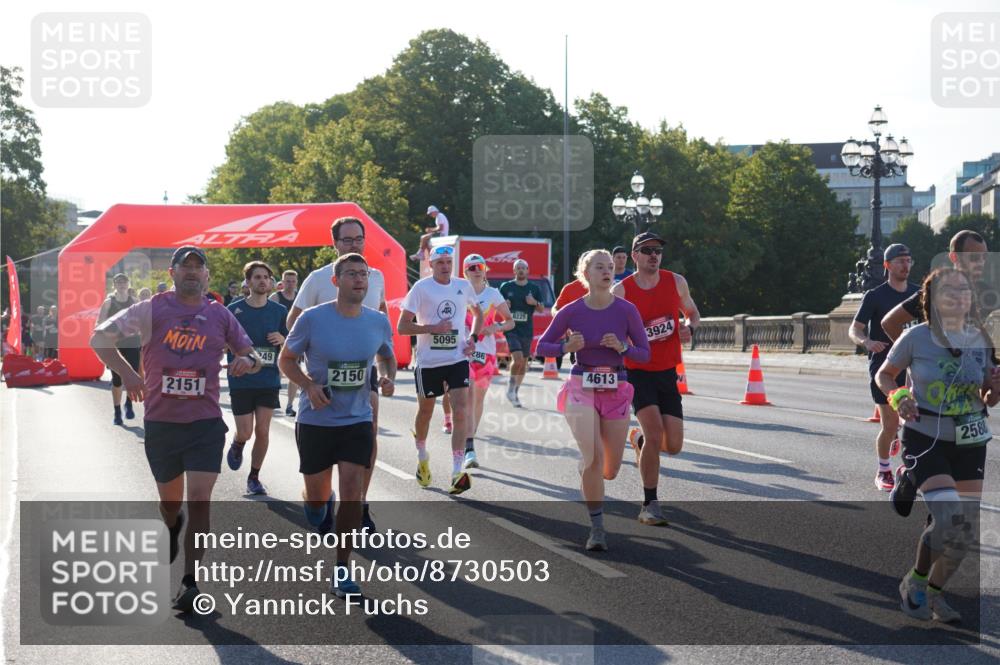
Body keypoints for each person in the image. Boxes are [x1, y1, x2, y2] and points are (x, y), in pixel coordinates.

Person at [90, 245, 262, 613]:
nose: (192, 273)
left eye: (199, 268)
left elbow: (252, 354)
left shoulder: (219, 314)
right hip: (162, 423)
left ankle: (190, 582)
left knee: (200, 499)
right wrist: (130, 374)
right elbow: (99, 338)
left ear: (207, 276)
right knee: (171, 503)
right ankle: (171, 524)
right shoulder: (152, 308)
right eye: (186, 267)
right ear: (172, 272)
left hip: (204, 423)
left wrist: (247, 361)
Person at [876, 266, 997, 623]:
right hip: (925, 435)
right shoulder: (916, 337)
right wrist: (898, 396)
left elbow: (988, 397)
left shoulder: (981, 339)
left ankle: (935, 595)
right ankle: (914, 581)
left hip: (970, 439)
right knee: (948, 518)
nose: (958, 296)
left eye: (964, 290)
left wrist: (996, 387)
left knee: (964, 531)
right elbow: (885, 374)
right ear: (933, 299)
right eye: (949, 291)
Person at [278, 252, 396, 598]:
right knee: (317, 504)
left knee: (353, 495)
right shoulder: (313, 319)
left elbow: (386, 355)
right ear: (336, 281)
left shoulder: (377, 321)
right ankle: (317, 503)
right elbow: (286, 359)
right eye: (352, 274)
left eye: (364, 274)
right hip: (316, 419)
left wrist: (387, 377)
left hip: (357, 418)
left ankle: (343, 568)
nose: (360, 280)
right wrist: (309, 386)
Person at [537, 249, 650, 551]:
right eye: (599, 267)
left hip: (617, 386)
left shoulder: (626, 310)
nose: (607, 271)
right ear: (585, 274)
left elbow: (644, 353)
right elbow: (542, 345)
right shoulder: (571, 311)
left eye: (610, 267)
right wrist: (565, 346)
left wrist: (624, 347)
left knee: (609, 470)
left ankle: (626, 438)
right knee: (592, 458)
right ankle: (597, 528)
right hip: (581, 386)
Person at [289, 216, 387, 531]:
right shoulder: (319, 279)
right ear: (335, 244)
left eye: (359, 238)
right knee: (318, 481)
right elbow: (294, 318)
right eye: (347, 240)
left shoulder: (377, 276)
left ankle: (359, 502)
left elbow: (380, 312)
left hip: (362, 368)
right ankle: (321, 498)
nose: (354, 243)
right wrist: (313, 346)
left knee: (369, 428)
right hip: (325, 370)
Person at [613, 232, 701, 526]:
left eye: (658, 251)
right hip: (636, 372)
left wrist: (689, 326)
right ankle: (649, 504)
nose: (654, 255)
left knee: (673, 444)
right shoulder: (622, 291)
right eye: (647, 250)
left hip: (666, 371)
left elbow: (692, 312)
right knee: (654, 433)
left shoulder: (675, 282)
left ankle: (638, 441)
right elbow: (609, 328)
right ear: (635, 255)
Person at [398, 244, 483, 494]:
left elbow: (477, 313)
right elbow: (403, 327)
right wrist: (430, 328)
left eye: (448, 262)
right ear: (431, 266)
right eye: (440, 263)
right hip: (428, 362)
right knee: (425, 411)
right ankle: (422, 457)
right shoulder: (421, 288)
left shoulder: (463, 286)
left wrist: (473, 338)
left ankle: (457, 472)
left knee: (460, 412)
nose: (445, 267)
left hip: (457, 359)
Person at [849, 243, 919, 491]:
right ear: (887, 265)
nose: (905, 265)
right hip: (884, 370)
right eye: (900, 260)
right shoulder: (875, 296)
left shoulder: (918, 294)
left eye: (909, 260)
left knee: (914, 422)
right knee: (889, 425)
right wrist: (866, 341)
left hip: (913, 369)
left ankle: (911, 465)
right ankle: (884, 471)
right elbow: (854, 329)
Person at [225, 261, 288, 496]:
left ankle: (254, 477)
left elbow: (291, 342)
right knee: (246, 431)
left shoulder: (279, 312)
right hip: (241, 378)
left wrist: (282, 338)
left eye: (266, 277)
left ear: (271, 283)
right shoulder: (234, 309)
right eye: (258, 277)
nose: (263, 281)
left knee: (262, 430)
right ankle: (238, 443)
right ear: (248, 282)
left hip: (268, 379)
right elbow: (223, 339)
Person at [882, 230, 991, 341]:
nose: (981, 263)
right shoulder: (935, 290)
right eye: (974, 257)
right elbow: (890, 322)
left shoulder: (988, 292)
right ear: (954, 257)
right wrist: (915, 353)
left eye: (984, 257)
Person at [461, 253, 515, 469]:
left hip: (486, 354)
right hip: (462, 352)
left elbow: (510, 322)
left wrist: (497, 327)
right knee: (468, 396)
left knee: (478, 400)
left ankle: (468, 440)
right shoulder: (459, 292)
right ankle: (468, 446)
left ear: (485, 270)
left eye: (480, 266)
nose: (476, 269)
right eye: (471, 266)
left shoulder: (493, 294)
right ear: (465, 271)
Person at [96, 273, 142, 425]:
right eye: (119, 282)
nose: (122, 285)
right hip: (116, 345)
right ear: (114, 285)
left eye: (124, 282)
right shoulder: (109, 302)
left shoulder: (134, 301)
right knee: (117, 380)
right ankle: (116, 411)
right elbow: (99, 324)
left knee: (132, 375)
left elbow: (142, 322)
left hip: (133, 342)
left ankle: (128, 404)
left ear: (128, 284)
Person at [500, 259, 544, 408]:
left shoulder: (534, 288)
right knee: (517, 359)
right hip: (511, 328)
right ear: (514, 271)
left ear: (527, 270)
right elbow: (496, 307)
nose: (520, 270)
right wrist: (504, 306)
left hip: (527, 329)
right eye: (518, 268)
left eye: (523, 268)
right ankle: (511, 388)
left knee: (523, 364)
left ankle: (515, 392)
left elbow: (541, 308)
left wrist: (534, 303)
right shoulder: (506, 287)